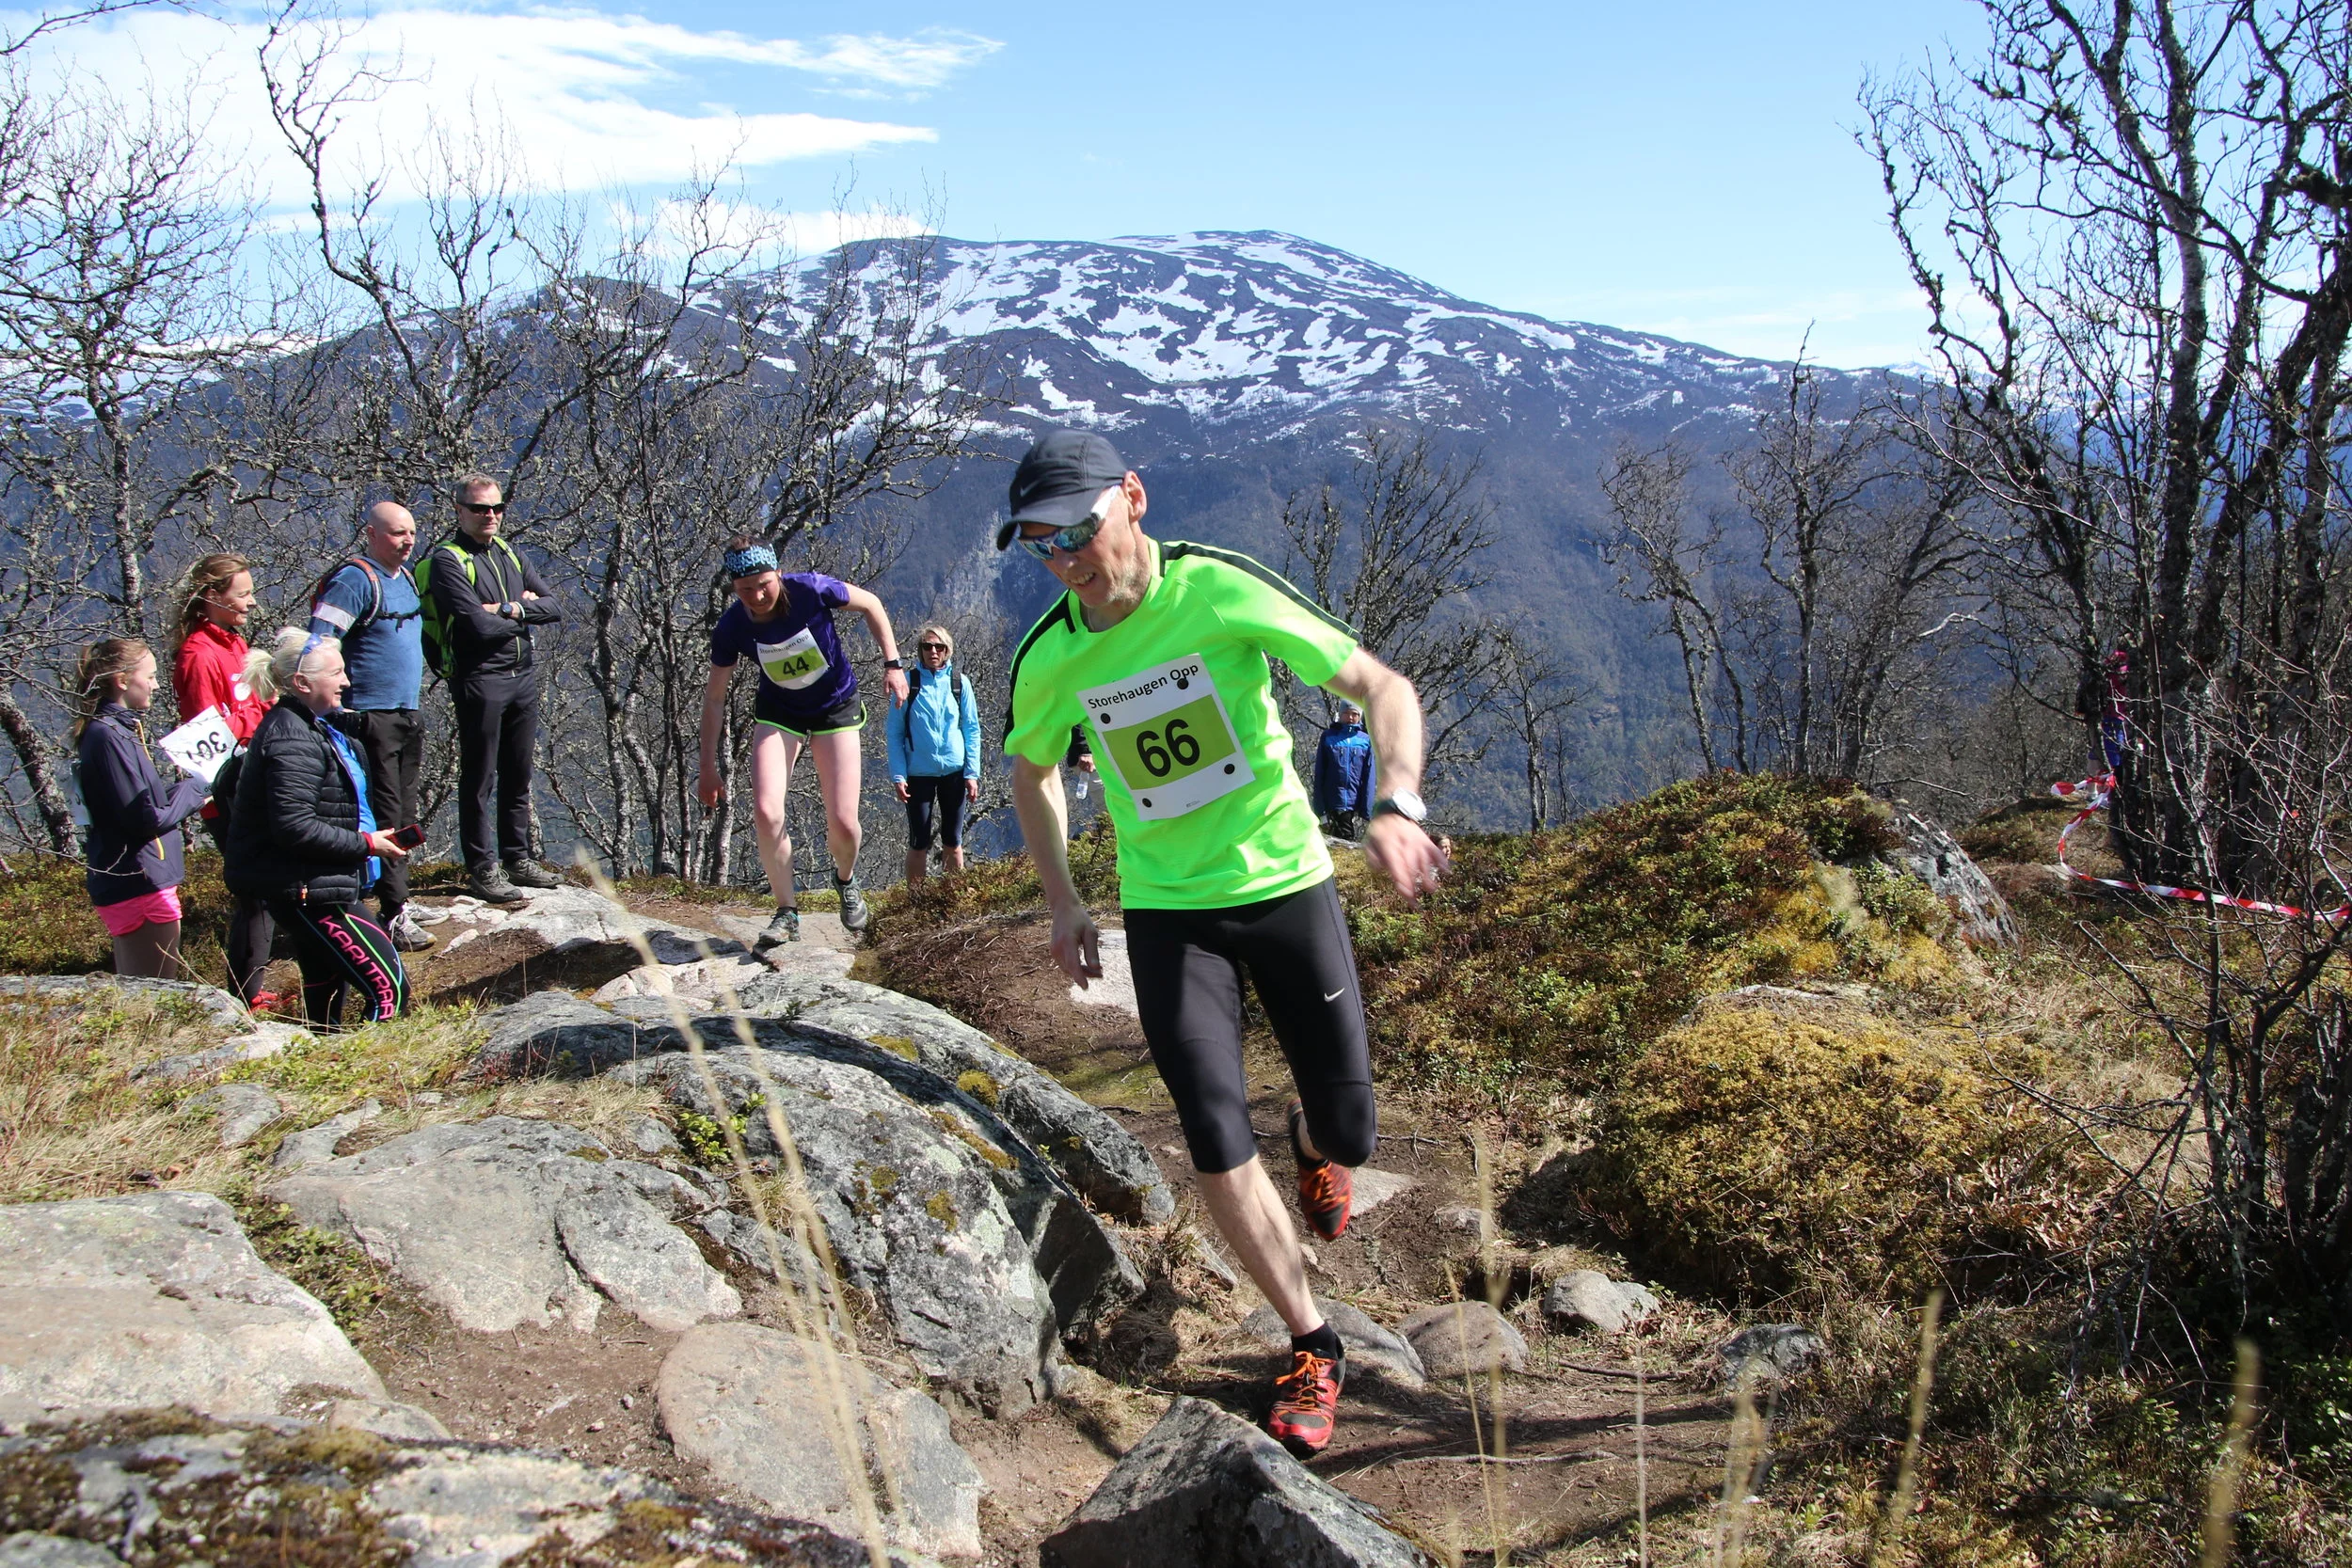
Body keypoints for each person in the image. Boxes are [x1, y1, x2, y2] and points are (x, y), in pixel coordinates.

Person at [998, 430, 1448, 1457]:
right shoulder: (1052, 655)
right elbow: (1029, 771)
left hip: (1284, 880)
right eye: (1039, 543)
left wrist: (1395, 802)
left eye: (1078, 528)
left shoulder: (1218, 591)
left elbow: (1384, 686)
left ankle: (1315, 1148)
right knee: (1210, 1127)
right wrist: (1063, 898)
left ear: (1134, 498)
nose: (1065, 556)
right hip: (1166, 909)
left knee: (1353, 1130)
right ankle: (1313, 1340)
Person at [696, 537, 908, 945]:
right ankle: (787, 912)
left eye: (765, 584)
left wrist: (893, 664)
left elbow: (872, 605)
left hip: (835, 707)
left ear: (778, 573)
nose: (757, 596)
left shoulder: (811, 589)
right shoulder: (732, 627)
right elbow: (715, 697)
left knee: (844, 825)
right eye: (745, 590)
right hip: (780, 713)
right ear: (733, 589)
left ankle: (845, 880)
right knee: (765, 811)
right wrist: (707, 767)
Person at [227, 629, 412, 1027]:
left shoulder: (312, 726)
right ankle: (381, 1075)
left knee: (325, 981)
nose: (347, 681)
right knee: (390, 989)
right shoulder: (292, 738)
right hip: (310, 889)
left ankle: (324, 1054)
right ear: (303, 683)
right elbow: (294, 827)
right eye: (337, 673)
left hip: (315, 883)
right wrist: (366, 844)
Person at [420, 472, 563, 904]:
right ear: (459, 510)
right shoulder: (448, 561)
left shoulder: (508, 552)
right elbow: (476, 627)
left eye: (497, 508)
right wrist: (524, 610)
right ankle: (483, 867)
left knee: (519, 772)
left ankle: (517, 859)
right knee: (480, 776)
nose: (491, 515)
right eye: (480, 508)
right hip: (479, 679)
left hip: (522, 676)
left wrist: (506, 607)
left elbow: (554, 607)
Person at [310, 501, 433, 951]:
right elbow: (320, 641)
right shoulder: (355, 581)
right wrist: (340, 706)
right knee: (384, 813)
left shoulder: (404, 580)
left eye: (412, 533)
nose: (407, 541)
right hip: (369, 717)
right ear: (372, 534)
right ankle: (394, 911)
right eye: (398, 533)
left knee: (403, 812)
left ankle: (398, 899)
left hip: (405, 712)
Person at [169, 553, 276, 1006]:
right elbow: (206, 734)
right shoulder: (198, 655)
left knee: (267, 885)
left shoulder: (234, 643)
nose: (252, 603)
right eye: (243, 594)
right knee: (255, 888)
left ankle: (253, 987)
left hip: (253, 775)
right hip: (229, 788)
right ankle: (244, 995)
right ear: (213, 596)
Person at [74, 638, 209, 978]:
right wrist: (197, 788)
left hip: (138, 878)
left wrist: (187, 791)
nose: (156, 684)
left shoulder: (115, 731)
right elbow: (145, 817)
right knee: (156, 992)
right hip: (139, 882)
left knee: (143, 990)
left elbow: (140, 803)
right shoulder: (109, 737)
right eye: (149, 677)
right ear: (122, 680)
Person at [886, 623, 981, 884]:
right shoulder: (907, 683)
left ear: (947, 650)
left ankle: (954, 900)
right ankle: (915, 904)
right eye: (927, 646)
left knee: (953, 839)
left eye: (939, 646)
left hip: (954, 772)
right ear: (920, 650)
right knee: (919, 841)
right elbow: (894, 733)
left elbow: (971, 729)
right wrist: (898, 774)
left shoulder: (959, 683)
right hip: (918, 774)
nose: (933, 651)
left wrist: (972, 773)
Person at [1312, 701, 1374, 841]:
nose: (1350, 718)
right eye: (1346, 713)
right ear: (1340, 715)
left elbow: (1369, 775)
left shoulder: (1365, 741)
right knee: (1337, 839)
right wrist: (1319, 807)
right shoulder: (1328, 737)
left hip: (1353, 800)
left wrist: (1367, 809)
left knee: (1344, 839)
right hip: (1332, 799)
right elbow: (1320, 772)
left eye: (1354, 714)